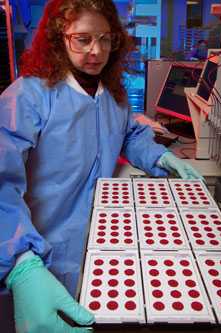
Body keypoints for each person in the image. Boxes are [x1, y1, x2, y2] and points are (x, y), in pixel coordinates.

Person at [0, 0, 203, 332]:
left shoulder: (111, 93)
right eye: (82, 39)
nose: (96, 51)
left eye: (105, 39)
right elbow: (2, 185)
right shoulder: (28, 96)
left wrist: (159, 156)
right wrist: (21, 262)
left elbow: (128, 132)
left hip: (105, 249)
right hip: (42, 256)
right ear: (58, 38)